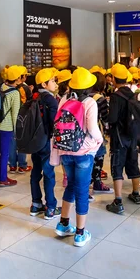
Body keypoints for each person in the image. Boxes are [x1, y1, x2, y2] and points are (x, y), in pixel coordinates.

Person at [52, 67, 103, 247]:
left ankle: (63, 224)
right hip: (83, 153)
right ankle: (80, 233)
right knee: (82, 191)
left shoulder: (64, 99)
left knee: (71, 186)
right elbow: (92, 129)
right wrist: (100, 140)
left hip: (66, 150)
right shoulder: (90, 102)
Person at [106, 63, 140, 216]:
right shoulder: (133, 94)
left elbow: (112, 118)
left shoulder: (115, 96)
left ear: (113, 78)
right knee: (133, 163)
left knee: (117, 166)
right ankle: (136, 193)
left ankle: (118, 201)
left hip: (119, 136)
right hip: (132, 135)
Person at [30, 68, 61, 220]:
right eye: (53, 81)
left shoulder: (34, 97)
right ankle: (51, 207)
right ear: (44, 83)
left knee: (36, 172)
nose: (55, 83)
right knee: (48, 174)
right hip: (46, 142)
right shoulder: (50, 100)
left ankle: (36, 204)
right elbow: (53, 123)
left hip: (34, 141)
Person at [90, 72, 112, 193]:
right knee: (99, 155)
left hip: (84, 131)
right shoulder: (100, 98)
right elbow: (105, 118)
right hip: (97, 131)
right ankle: (97, 182)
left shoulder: (84, 95)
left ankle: (87, 182)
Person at [9, 67, 32, 174]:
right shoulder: (24, 88)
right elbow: (30, 102)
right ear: (20, 77)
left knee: (12, 142)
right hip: (22, 118)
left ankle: (12, 165)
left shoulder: (5, 88)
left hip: (9, 120)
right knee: (22, 141)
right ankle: (22, 165)